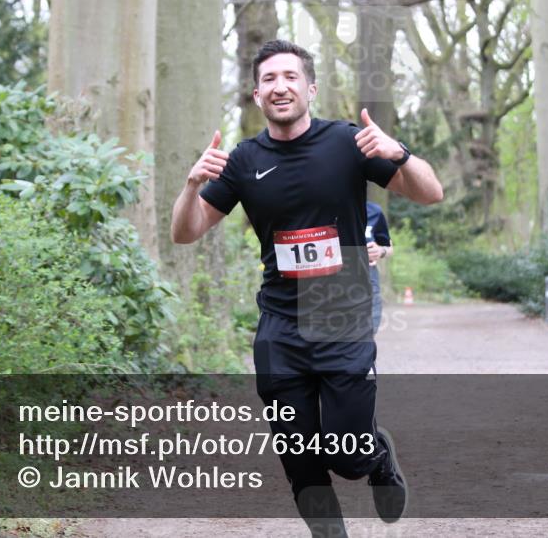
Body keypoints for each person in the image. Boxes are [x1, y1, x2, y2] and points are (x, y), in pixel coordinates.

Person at [170, 40, 442, 536]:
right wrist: (190, 186)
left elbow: (431, 193)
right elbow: (185, 232)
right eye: (269, 79)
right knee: (299, 457)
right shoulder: (242, 161)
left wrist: (399, 152)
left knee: (347, 455)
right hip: (280, 321)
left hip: (342, 315)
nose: (280, 87)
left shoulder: (348, 143)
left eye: (290, 77)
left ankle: (377, 458)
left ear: (310, 89)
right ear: (256, 95)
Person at [365, 201, 393, 333]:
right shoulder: (325, 207)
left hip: (369, 279)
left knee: (369, 331)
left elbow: (389, 247)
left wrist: (380, 251)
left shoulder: (374, 211)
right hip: (334, 280)